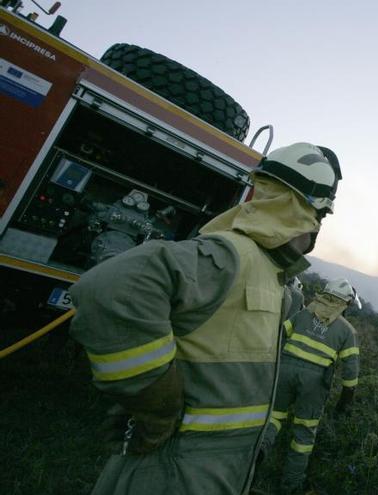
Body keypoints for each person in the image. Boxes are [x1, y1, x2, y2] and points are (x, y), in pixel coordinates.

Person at [68, 142, 342, 495]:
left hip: (210, 470)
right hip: (174, 470)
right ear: (304, 214)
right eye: (320, 218)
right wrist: (155, 403)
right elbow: (110, 289)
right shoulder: (233, 256)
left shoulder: (270, 274)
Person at [262, 278, 361, 493]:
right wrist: (344, 403)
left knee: (273, 418)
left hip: (285, 370)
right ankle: (290, 486)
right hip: (314, 382)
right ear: (346, 303)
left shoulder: (304, 313)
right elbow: (351, 374)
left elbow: (280, 333)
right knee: (303, 434)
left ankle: (259, 453)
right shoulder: (347, 331)